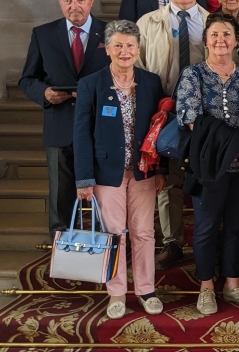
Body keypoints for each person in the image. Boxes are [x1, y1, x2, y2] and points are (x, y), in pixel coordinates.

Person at [73, 20, 166, 319]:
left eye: (130, 45)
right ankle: (116, 293)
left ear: (138, 49)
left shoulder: (151, 82)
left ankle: (146, 290)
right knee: (114, 233)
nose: (124, 51)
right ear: (107, 49)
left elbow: (160, 130)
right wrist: (84, 177)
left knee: (144, 232)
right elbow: (81, 133)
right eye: (118, 46)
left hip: (143, 171)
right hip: (105, 173)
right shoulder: (91, 84)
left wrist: (160, 169)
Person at [175, 12, 239, 315]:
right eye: (214, 34)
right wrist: (227, 147)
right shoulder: (194, 75)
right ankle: (206, 288)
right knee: (206, 226)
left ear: (236, 39)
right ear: (206, 40)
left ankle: (232, 284)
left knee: (238, 227)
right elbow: (190, 118)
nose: (220, 40)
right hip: (208, 165)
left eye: (226, 34)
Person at [19, 0, 110, 239]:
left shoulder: (111, 32)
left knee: (106, 191)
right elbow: (27, 79)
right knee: (61, 193)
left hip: (101, 124)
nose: (75, 7)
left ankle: (106, 243)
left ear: (91, 0)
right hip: (60, 124)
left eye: (81, 0)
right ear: (60, 2)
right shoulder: (43, 34)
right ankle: (62, 245)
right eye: (68, 1)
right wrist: (44, 93)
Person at [135, 0, 210, 270]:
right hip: (160, 110)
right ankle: (172, 241)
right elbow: (137, 66)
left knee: (204, 174)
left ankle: (207, 238)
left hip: (203, 113)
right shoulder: (147, 23)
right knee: (168, 178)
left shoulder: (211, 22)